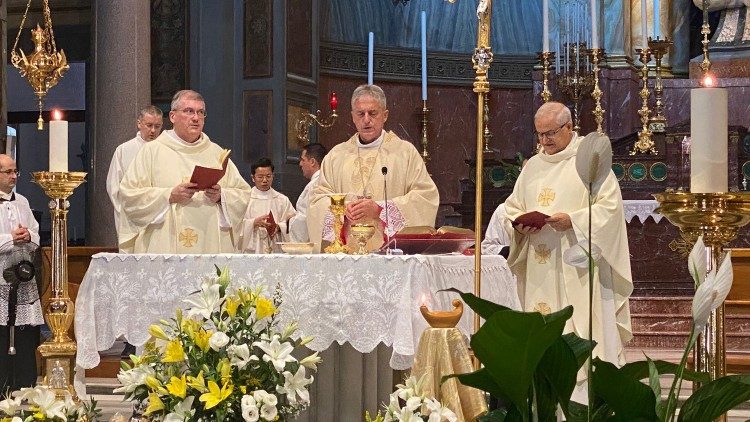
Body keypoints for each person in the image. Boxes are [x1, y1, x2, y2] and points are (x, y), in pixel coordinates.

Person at [503, 102, 632, 402]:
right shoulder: (533, 166)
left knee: (579, 339)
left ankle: (580, 406)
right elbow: (513, 206)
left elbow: (610, 209)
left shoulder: (589, 161)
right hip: (539, 269)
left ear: (569, 128)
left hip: (578, 270)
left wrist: (572, 220)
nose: (544, 141)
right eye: (539, 135)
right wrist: (519, 226)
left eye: (550, 134)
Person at [308, 84, 439, 252]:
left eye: (373, 113)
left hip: (390, 256)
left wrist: (381, 209)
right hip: (347, 254)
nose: (366, 119)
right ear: (352, 117)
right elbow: (317, 201)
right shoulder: (336, 156)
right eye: (360, 114)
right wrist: (342, 209)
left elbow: (425, 197)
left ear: (385, 115)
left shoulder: (404, 153)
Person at [118, 90, 252, 253]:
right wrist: (168, 196)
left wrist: (221, 197)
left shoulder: (216, 153)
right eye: (189, 111)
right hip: (165, 244)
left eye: (200, 112)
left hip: (209, 243)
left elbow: (243, 194)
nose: (196, 118)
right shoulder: (152, 151)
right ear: (173, 116)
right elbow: (128, 195)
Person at [0, 154, 42, 391]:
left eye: (16, 171)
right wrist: (9, 239)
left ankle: (24, 384)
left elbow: (35, 231)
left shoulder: (23, 201)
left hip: (22, 274)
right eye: (8, 172)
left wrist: (28, 236)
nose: (14, 176)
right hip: (0, 274)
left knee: (25, 332)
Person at [106, 105, 164, 245]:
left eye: (157, 126)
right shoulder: (124, 150)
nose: (153, 131)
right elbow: (114, 186)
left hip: (160, 217)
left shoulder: (166, 150)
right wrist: (128, 213)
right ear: (139, 124)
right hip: (131, 217)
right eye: (149, 125)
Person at [238, 158, 296, 253]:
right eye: (260, 177)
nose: (265, 180)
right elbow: (235, 225)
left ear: (273, 176)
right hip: (253, 248)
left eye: (268, 176)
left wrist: (279, 227)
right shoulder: (245, 199)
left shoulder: (282, 199)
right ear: (253, 177)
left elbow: (293, 222)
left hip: (276, 247)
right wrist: (253, 222)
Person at [288, 143, 327, 243]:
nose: (300, 164)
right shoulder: (328, 181)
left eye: (303, 160)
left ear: (312, 162)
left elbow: (304, 220)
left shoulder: (313, 186)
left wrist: (290, 221)